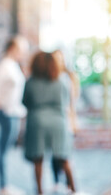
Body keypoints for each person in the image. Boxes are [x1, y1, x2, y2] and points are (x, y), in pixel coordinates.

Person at [22, 51, 76, 195]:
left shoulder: (30, 82)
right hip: (58, 121)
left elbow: (25, 102)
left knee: (37, 159)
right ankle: (73, 189)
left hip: (37, 121)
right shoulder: (61, 81)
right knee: (63, 156)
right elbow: (66, 101)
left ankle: (39, 190)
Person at [0, 36, 29, 195]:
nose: (23, 53)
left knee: (6, 151)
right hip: (7, 113)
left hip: (13, 112)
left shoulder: (12, 65)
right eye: (21, 49)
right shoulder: (5, 65)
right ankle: (4, 186)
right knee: (3, 151)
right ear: (12, 48)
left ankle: (5, 185)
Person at [51, 49, 80, 191]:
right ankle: (56, 182)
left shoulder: (69, 77)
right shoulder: (50, 76)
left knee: (65, 153)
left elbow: (72, 102)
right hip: (54, 120)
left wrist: (73, 122)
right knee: (55, 153)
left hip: (66, 119)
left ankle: (71, 186)